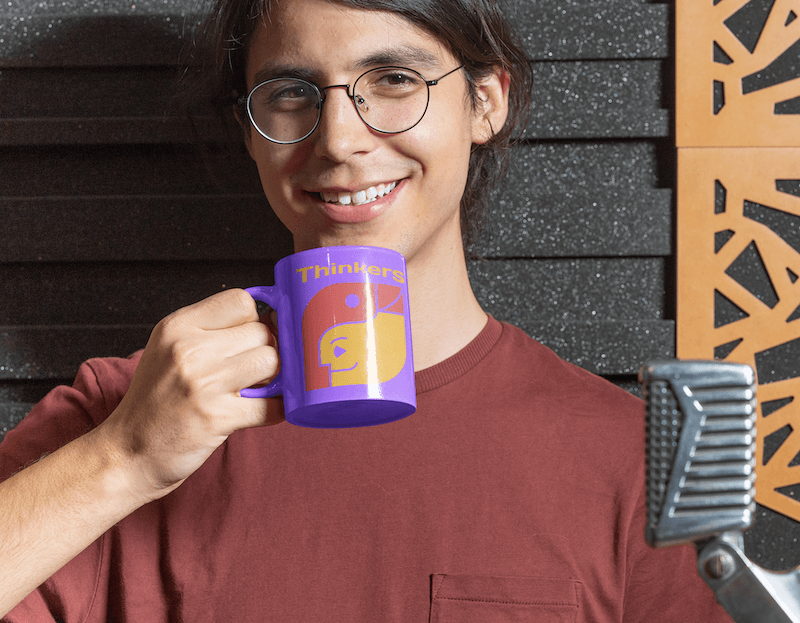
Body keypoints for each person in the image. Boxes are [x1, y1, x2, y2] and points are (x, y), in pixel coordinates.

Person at [0, 0, 732, 620]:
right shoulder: (116, 418)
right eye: (291, 91)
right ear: (249, 131)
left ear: (485, 102)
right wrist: (124, 459)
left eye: (393, 79)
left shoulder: (629, 461)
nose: (341, 140)